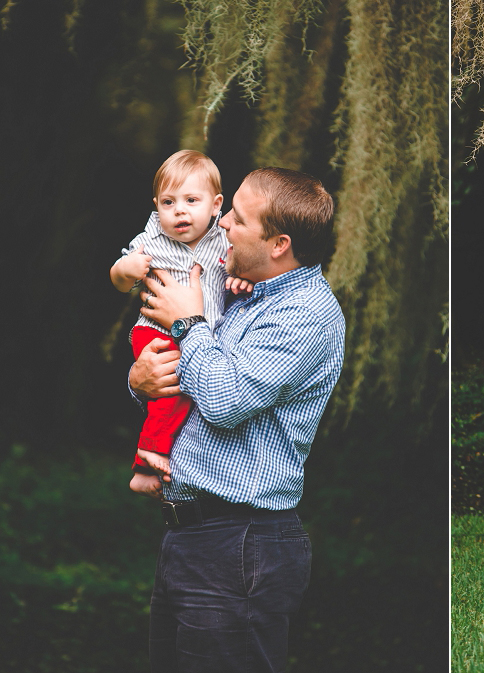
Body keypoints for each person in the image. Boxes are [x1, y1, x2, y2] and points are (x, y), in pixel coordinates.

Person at [128, 167, 345, 671]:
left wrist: (188, 322)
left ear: (278, 244)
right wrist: (141, 382)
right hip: (187, 537)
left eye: (238, 217)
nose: (221, 222)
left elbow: (225, 401)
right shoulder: (238, 294)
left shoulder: (306, 314)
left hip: (240, 544)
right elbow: (188, 388)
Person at [110, 150, 252, 497]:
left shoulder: (224, 242)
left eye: (191, 200)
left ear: (216, 204)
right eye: (169, 203)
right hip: (155, 332)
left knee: (188, 392)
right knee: (174, 392)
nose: (180, 211)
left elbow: (236, 273)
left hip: (200, 333)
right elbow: (118, 276)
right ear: (157, 206)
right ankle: (147, 456)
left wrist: (241, 280)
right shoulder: (151, 241)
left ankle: (156, 452)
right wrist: (126, 270)